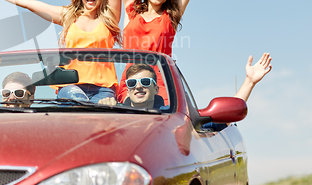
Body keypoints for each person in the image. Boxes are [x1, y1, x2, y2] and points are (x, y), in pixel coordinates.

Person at [99, 53, 273, 125]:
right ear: (127, 90)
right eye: (131, 84)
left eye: (145, 82)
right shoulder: (112, 113)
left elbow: (221, 118)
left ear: (156, 89)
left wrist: (249, 82)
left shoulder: (177, 119)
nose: (138, 86)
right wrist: (102, 111)